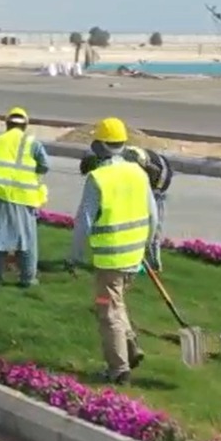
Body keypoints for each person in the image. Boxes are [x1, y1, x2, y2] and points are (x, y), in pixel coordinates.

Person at [68, 117, 159, 385]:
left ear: (99, 146)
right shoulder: (139, 173)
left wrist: (74, 256)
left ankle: (118, 369)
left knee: (107, 312)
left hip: (110, 258)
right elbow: (153, 216)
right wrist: (147, 246)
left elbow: (84, 221)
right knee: (117, 302)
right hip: (134, 256)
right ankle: (130, 346)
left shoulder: (98, 178)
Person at [0, 107, 50, 287]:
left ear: (7, 124)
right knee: (26, 240)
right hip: (23, 196)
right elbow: (45, 165)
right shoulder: (32, 143)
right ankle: (28, 278)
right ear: (25, 125)